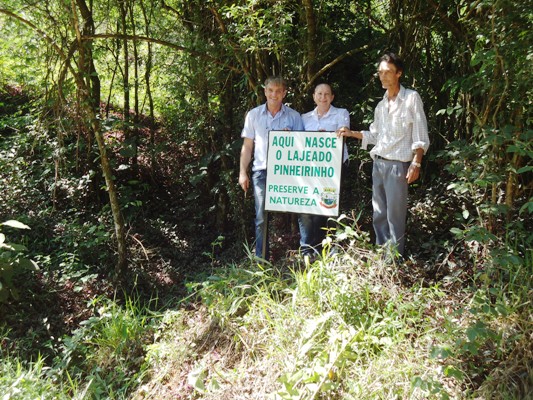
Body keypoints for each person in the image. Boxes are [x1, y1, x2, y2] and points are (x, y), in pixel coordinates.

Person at [337, 52, 429, 258]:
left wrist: (417, 162)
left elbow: (420, 133)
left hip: (398, 165)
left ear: (399, 73)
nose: (383, 76)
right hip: (378, 164)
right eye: (380, 73)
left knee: (394, 216)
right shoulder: (381, 105)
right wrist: (352, 133)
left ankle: (393, 260)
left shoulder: (411, 98)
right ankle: (381, 256)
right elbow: (375, 134)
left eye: (387, 72)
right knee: (379, 214)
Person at [239, 76, 304, 259]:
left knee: (301, 212)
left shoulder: (294, 116)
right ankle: (261, 259)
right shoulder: (253, 115)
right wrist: (242, 172)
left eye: (278, 91)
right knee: (261, 218)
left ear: (284, 93)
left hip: (288, 172)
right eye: (270, 90)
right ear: (265, 91)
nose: (274, 94)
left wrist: (291, 139)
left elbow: (304, 149)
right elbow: (247, 147)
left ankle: (304, 257)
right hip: (261, 171)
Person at [299, 83, 350, 256]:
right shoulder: (304, 118)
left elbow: (344, 133)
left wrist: (326, 136)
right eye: (319, 94)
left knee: (329, 206)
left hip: (333, 169)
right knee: (307, 208)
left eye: (327, 94)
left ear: (332, 97)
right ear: (313, 96)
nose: (323, 97)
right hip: (310, 171)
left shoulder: (341, 114)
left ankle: (330, 248)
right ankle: (309, 250)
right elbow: (298, 142)